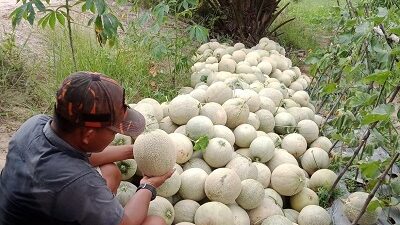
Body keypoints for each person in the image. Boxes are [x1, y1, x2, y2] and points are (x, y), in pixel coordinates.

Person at [0, 71, 173, 225]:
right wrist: (148, 186)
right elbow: (126, 223)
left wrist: (134, 151)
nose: (115, 136)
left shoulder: (35, 124)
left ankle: (103, 212)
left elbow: (87, 158)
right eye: (114, 131)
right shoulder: (77, 183)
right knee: (155, 221)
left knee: (110, 172)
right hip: (60, 197)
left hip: (22, 212)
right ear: (88, 135)